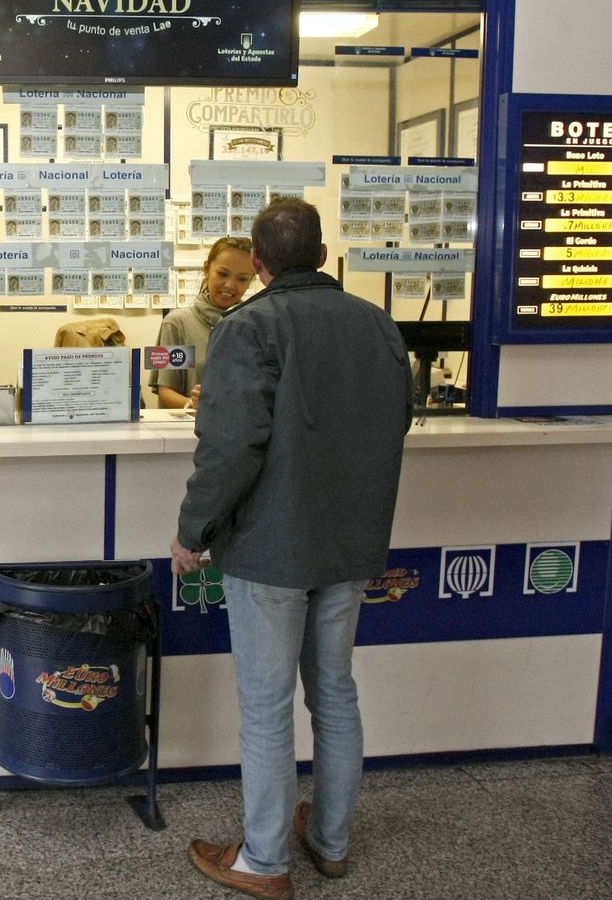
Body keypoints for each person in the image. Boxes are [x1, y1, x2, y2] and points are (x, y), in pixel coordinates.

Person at [174, 199, 413, 900]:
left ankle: (264, 860)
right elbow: (398, 419)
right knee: (335, 692)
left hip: (271, 549)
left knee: (267, 706)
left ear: (257, 263)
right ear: (323, 252)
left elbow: (229, 447)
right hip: (350, 544)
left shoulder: (252, 327)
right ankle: (330, 843)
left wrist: (193, 531)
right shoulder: (377, 324)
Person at [149, 236, 255, 410]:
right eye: (223, 274)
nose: (230, 285)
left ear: (251, 280)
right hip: (189, 432)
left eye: (242, 279)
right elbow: (165, 392)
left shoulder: (254, 326)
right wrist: (193, 404)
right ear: (207, 269)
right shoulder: (175, 323)